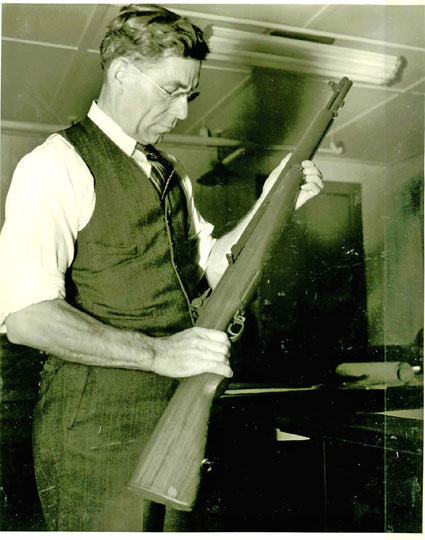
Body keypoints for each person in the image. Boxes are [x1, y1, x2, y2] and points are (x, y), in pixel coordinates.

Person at [0, 4, 324, 532]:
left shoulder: (169, 172)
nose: (181, 113)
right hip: (93, 433)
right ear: (122, 72)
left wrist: (275, 202)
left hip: (172, 421)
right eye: (171, 91)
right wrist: (159, 353)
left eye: (189, 96)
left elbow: (216, 267)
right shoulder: (54, 165)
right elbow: (28, 317)